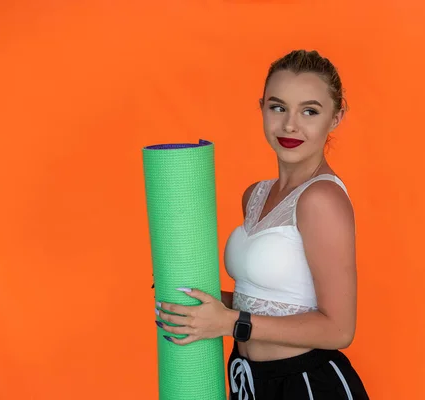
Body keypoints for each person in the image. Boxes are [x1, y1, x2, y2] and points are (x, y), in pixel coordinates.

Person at [154, 49, 370, 399]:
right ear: (262, 107)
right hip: (250, 379)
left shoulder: (322, 200)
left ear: (336, 116)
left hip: (306, 385)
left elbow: (339, 329)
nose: (289, 125)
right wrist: (193, 299)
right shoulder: (256, 194)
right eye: (278, 107)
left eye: (310, 111)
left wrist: (229, 323)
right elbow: (268, 298)